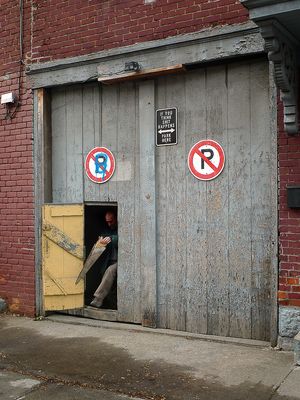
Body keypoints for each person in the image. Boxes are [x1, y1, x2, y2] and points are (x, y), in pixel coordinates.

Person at [90, 210, 118, 308]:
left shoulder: (122, 227)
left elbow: (123, 238)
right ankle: (110, 304)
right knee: (103, 273)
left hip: (121, 262)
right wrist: (100, 240)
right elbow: (103, 236)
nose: (109, 224)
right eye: (107, 222)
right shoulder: (107, 229)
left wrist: (112, 239)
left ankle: (98, 299)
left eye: (111, 221)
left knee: (110, 271)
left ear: (117, 219)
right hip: (110, 261)